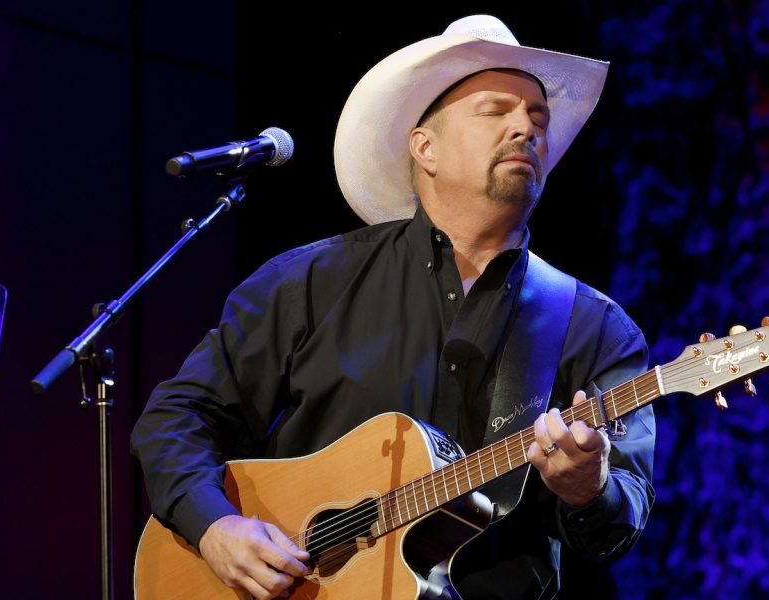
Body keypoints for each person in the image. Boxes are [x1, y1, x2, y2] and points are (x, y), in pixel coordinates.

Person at [131, 14, 655, 600]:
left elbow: (618, 522)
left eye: (537, 116)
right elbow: (176, 418)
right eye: (495, 111)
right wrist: (216, 527)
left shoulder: (594, 327)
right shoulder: (309, 281)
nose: (525, 128)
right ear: (423, 147)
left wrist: (590, 485)